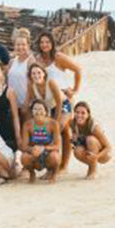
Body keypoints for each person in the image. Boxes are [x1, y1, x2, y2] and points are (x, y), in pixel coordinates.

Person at [36, 30, 83, 171]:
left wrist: (75, 90)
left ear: (52, 43)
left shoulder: (58, 57)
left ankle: (63, 165)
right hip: (48, 102)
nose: (45, 45)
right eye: (42, 42)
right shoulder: (38, 60)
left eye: (47, 42)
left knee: (61, 129)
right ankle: (54, 165)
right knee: (57, 131)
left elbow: (78, 70)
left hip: (63, 100)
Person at [19, 99, 62, 183]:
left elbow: (57, 146)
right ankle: (32, 173)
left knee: (55, 157)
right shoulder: (28, 124)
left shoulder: (53, 124)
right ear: (31, 112)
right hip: (34, 152)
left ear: (46, 111)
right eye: (35, 109)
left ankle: (54, 174)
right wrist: (32, 149)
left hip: (48, 152)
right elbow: (23, 146)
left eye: (40, 109)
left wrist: (43, 148)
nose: (38, 112)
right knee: (24, 157)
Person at [70, 101, 112, 179]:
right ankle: (91, 167)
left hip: (103, 154)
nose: (79, 115)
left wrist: (96, 157)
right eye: (77, 112)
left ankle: (93, 170)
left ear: (88, 115)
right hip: (88, 149)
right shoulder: (73, 124)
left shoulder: (94, 126)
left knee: (90, 139)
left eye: (83, 113)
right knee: (77, 151)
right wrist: (74, 140)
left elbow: (108, 147)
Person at [7, 33, 35, 119]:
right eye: (18, 45)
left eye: (23, 44)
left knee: (29, 129)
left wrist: (26, 103)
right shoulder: (12, 61)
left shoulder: (30, 61)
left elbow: (32, 84)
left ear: (28, 46)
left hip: (26, 104)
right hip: (13, 103)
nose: (20, 47)